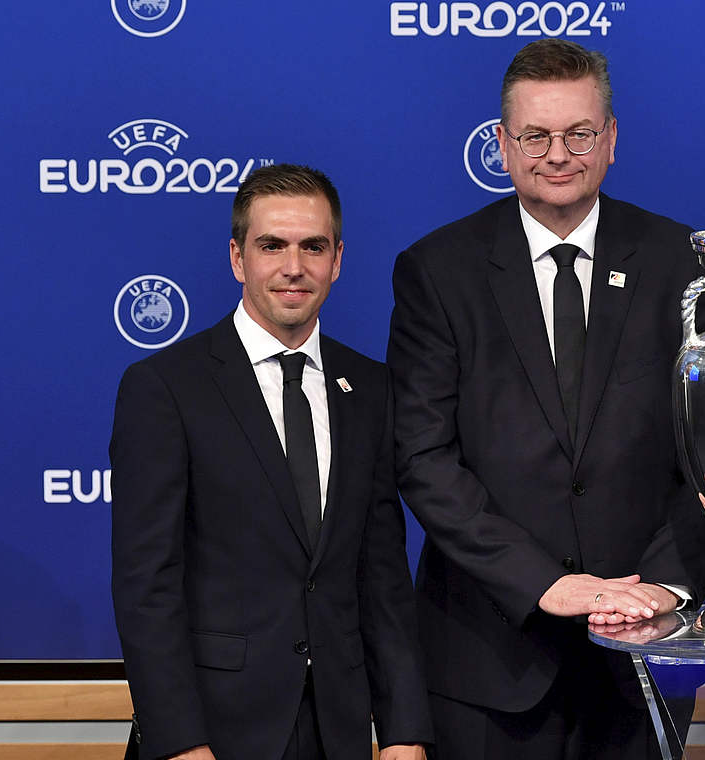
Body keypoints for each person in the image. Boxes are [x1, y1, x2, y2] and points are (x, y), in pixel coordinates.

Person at [388, 38, 705, 759]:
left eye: (579, 134)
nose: (558, 154)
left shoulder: (684, 266)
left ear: (610, 143)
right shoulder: (437, 271)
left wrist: (666, 584)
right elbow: (423, 457)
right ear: (504, 146)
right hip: (489, 656)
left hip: (643, 649)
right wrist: (546, 583)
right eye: (536, 135)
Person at [111, 164, 432, 760]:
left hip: (336, 728)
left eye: (313, 246)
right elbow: (145, 587)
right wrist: (180, 743)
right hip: (213, 733)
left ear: (337, 259)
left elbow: (383, 575)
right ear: (238, 259)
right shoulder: (165, 387)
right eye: (272, 246)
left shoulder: (370, 388)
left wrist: (404, 728)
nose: (294, 267)